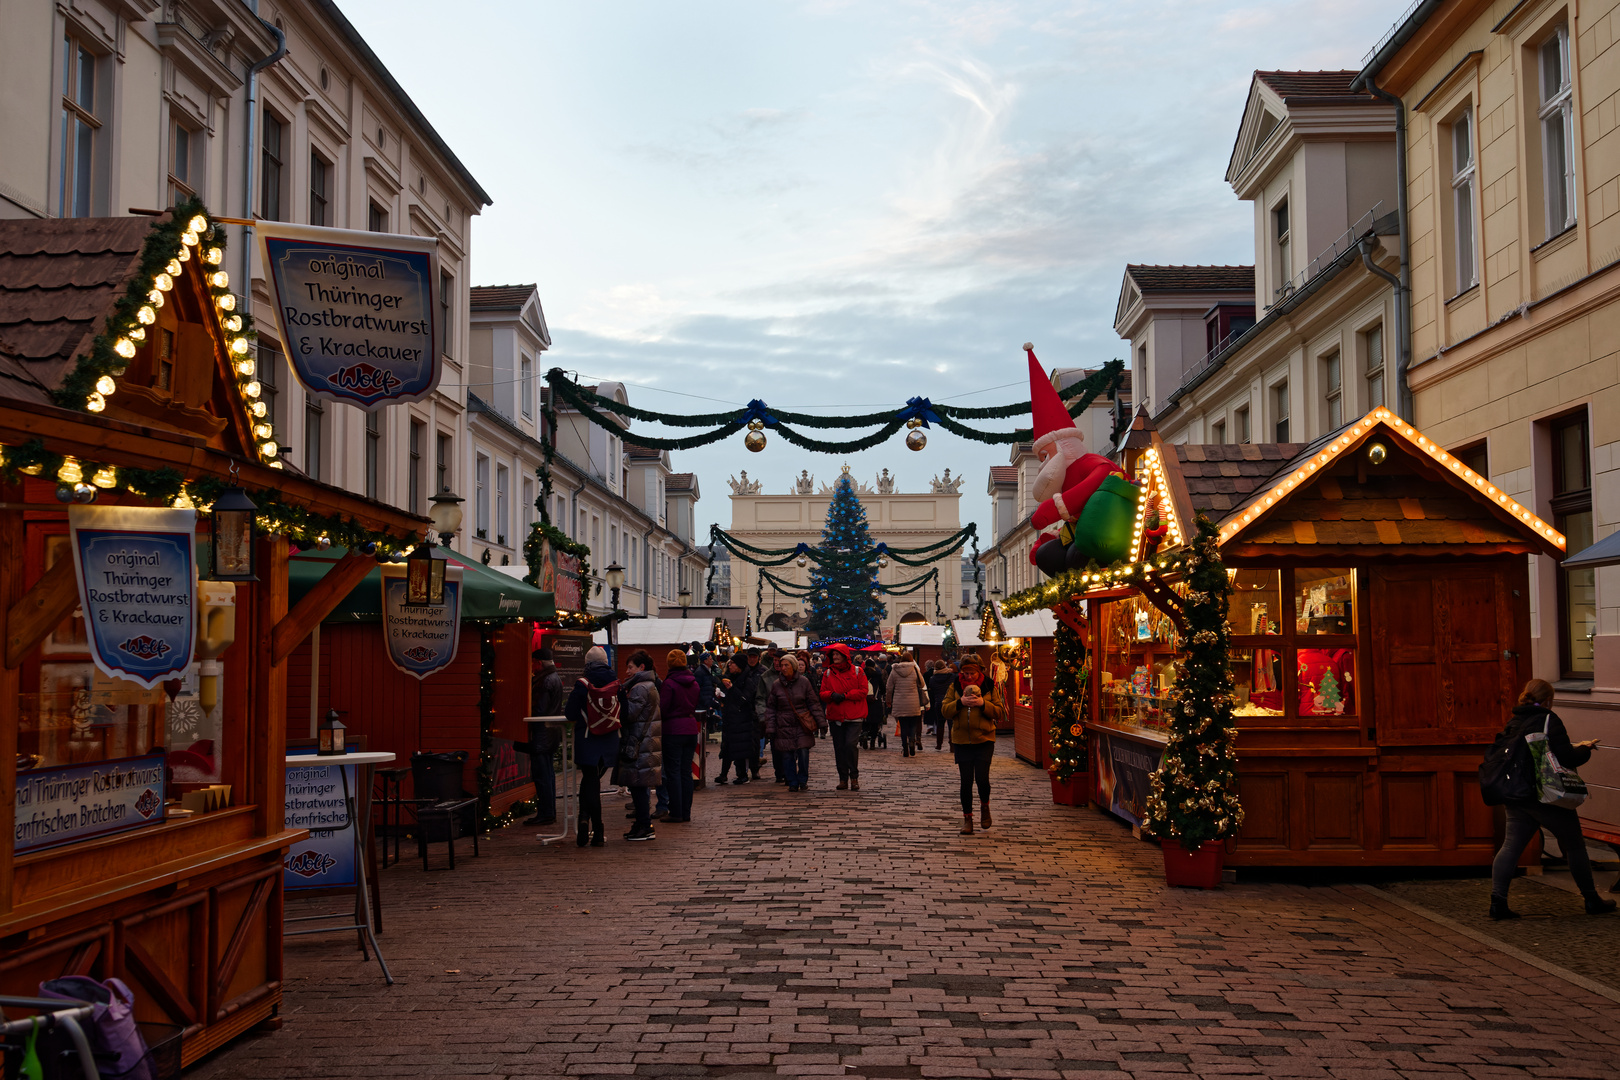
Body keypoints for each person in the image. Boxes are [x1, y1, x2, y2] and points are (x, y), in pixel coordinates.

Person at [1489, 679, 1618, 919]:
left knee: (1510, 847)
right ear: (1549, 699)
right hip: (1546, 795)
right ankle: (1591, 899)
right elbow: (1567, 758)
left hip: (1518, 794)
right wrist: (1586, 748)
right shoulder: (1549, 719)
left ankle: (1498, 902)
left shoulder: (1515, 720)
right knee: (1575, 846)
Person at [563, 645, 621, 847]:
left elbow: (570, 714)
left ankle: (591, 824)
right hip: (610, 741)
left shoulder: (582, 684)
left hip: (587, 740)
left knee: (590, 782)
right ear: (606, 662)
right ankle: (592, 826)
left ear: (587, 663)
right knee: (592, 782)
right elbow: (625, 710)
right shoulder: (616, 682)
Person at [943, 651, 1004, 835]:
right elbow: (945, 710)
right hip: (962, 741)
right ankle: (967, 818)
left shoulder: (988, 685)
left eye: (972, 673)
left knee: (982, 780)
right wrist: (960, 702)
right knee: (966, 781)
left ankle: (985, 807)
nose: (968, 677)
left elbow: (1000, 712)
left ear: (979, 672)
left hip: (984, 739)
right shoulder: (955, 686)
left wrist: (982, 705)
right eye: (965, 673)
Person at [618, 651, 663, 842]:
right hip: (646, 742)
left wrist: (621, 699)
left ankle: (645, 826)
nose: (627, 671)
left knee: (638, 786)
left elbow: (630, 714)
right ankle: (641, 824)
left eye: (631, 667)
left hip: (639, 742)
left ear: (641, 668)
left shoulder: (639, 688)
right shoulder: (649, 684)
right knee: (639, 786)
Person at [765, 654, 824, 792]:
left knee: (803, 753)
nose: (783, 668)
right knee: (787, 755)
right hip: (784, 724)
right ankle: (792, 781)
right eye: (782, 665)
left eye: (787, 665)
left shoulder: (804, 682)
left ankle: (802, 779)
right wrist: (770, 727)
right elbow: (771, 708)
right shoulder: (777, 685)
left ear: (794, 666)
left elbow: (813, 703)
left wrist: (821, 722)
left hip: (802, 723)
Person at [660, 650, 702, 823]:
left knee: (673, 772)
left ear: (669, 664)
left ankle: (676, 811)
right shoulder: (694, 683)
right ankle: (686, 812)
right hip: (691, 729)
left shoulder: (669, 684)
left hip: (673, 730)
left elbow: (663, 708)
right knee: (686, 772)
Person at [819, 643, 868, 790]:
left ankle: (854, 776)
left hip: (854, 716)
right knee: (839, 748)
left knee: (850, 745)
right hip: (836, 716)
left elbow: (863, 691)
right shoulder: (828, 673)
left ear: (845, 656)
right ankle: (843, 778)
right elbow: (822, 693)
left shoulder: (858, 672)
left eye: (837, 654)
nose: (835, 657)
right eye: (833, 655)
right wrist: (832, 695)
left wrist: (846, 695)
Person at [525, 648, 566, 825]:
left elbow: (539, 710)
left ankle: (546, 813)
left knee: (542, 775)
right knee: (548, 774)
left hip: (542, 733)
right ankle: (549, 811)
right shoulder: (554, 678)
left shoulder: (543, 681)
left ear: (539, 663)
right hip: (551, 733)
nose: (532, 667)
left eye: (533, 662)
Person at [716, 658, 756, 784]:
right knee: (727, 746)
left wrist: (732, 688)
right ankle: (723, 774)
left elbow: (744, 699)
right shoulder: (728, 678)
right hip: (729, 718)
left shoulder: (747, 681)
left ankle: (742, 774)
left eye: (732, 663)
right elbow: (727, 697)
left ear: (739, 666)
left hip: (742, 719)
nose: (730, 665)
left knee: (740, 748)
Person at [887, 651, 928, 757]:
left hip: (899, 701)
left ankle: (905, 746)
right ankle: (912, 741)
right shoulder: (914, 669)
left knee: (903, 725)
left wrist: (888, 700)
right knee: (913, 724)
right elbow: (922, 683)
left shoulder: (895, 669)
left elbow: (889, 687)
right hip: (913, 702)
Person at [755, 648, 785, 783]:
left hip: (790, 718)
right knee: (776, 747)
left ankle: (788, 771)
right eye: (775, 660)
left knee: (792, 747)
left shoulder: (793, 675)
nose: (777, 663)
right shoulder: (766, 676)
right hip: (772, 717)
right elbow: (760, 697)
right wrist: (762, 715)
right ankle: (779, 772)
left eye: (780, 660)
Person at [927, 660, 954, 751]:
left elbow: (932, 691)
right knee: (951, 724)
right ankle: (952, 745)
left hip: (938, 703)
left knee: (940, 723)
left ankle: (939, 744)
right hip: (950, 702)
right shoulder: (951, 676)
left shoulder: (932, 679)